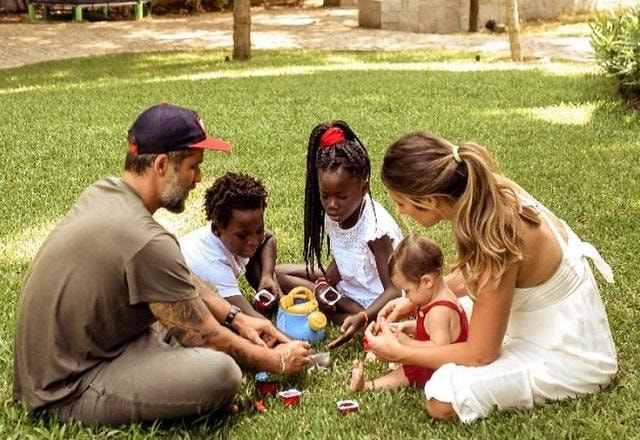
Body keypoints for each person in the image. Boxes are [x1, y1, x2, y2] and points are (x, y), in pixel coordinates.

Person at [12, 104, 310, 427]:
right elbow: (206, 337)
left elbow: (178, 280)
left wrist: (237, 319)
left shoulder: (106, 191)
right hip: (67, 388)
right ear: (162, 165)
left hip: (85, 352)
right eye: (193, 167)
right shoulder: (147, 241)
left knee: (195, 325)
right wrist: (278, 359)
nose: (198, 178)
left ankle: (177, 390)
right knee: (222, 372)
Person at [365, 131, 617, 422]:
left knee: (443, 397)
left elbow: (481, 353)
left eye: (401, 203)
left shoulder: (497, 232)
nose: (401, 212)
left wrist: (401, 352)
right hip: (539, 312)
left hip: (567, 348)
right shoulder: (482, 189)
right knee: (445, 318)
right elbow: (477, 277)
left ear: (431, 200)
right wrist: (416, 301)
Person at [276, 121, 403, 349]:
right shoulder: (334, 214)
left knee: (365, 325)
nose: (332, 205)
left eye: (341, 196)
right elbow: (346, 256)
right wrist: (324, 284)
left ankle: (350, 318)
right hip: (346, 289)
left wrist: (363, 316)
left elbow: (394, 290)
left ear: (363, 189)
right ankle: (329, 305)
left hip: (375, 301)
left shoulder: (375, 229)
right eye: (325, 196)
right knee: (277, 274)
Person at [350, 235, 468, 391]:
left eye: (407, 291)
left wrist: (407, 342)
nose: (406, 297)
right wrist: (406, 326)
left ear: (427, 282)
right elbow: (435, 329)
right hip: (438, 355)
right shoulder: (434, 298)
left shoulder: (439, 311)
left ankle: (367, 386)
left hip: (439, 367)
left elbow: (439, 349)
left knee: (407, 373)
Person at [180, 172, 283, 319]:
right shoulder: (213, 266)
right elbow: (248, 319)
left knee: (271, 268)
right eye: (243, 236)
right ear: (217, 229)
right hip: (178, 316)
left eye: (259, 230)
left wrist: (267, 276)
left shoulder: (230, 233)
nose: (253, 241)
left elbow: (269, 238)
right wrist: (293, 341)